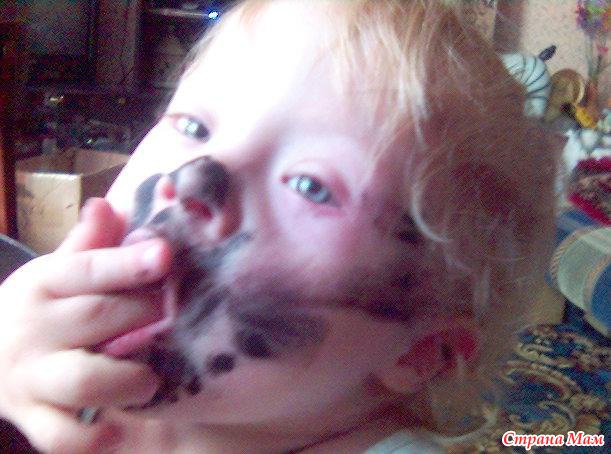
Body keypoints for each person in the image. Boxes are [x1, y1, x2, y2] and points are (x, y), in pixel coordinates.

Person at [0, 1, 556, 452]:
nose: (195, 178)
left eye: (312, 185)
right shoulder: (49, 364)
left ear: (419, 352)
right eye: (193, 126)